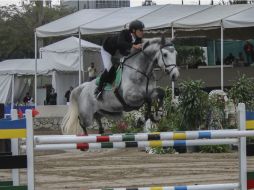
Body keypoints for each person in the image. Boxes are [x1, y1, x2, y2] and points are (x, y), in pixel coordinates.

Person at [94, 20, 145, 100]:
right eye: (141, 30)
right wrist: (134, 46)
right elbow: (120, 43)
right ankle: (98, 89)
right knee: (109, 68)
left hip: (118, 53)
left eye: (143, 30)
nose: (142, 32)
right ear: (133, 30)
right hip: (107, 50)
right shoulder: (125, 33)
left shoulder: (138, 40)